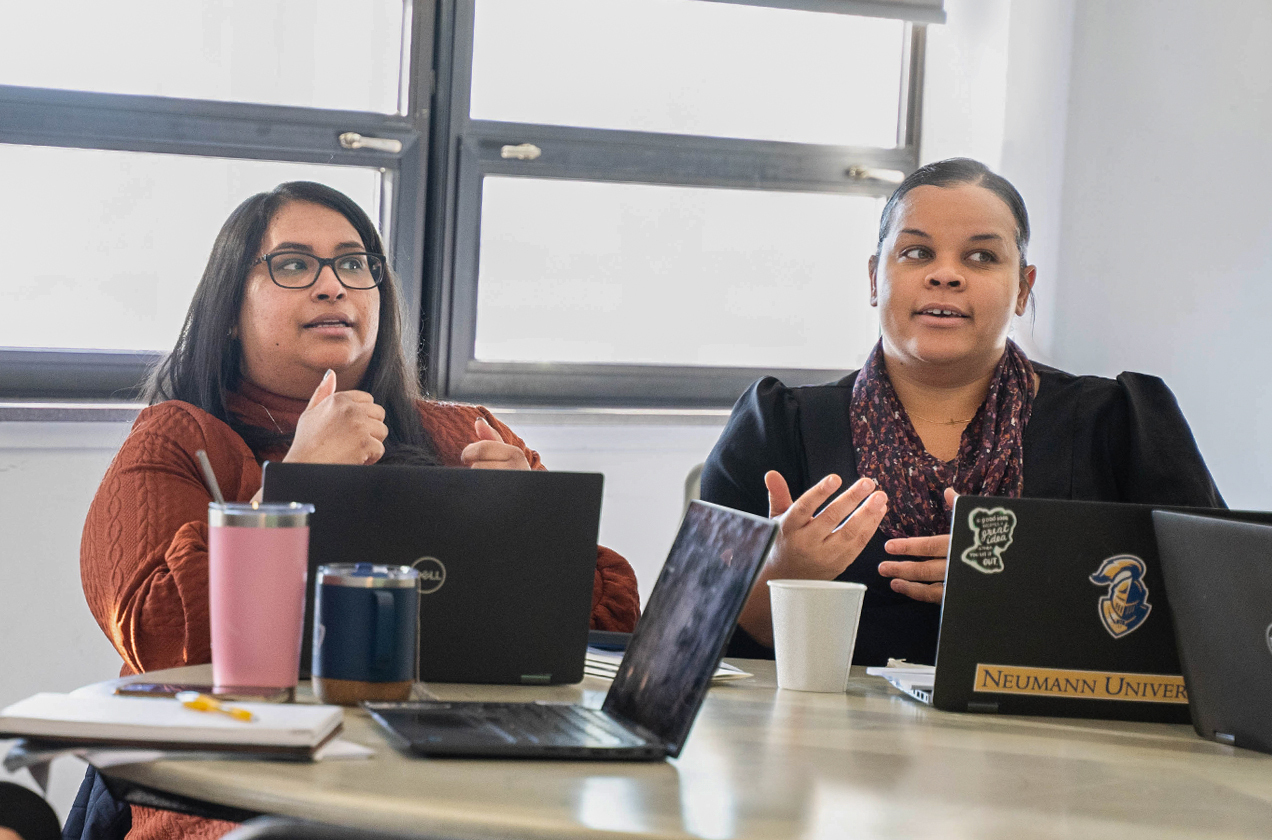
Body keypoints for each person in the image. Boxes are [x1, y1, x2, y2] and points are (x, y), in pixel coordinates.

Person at [79, 181, 640, 840]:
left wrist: (535, 531)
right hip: (243, 789)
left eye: (354, 263)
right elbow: (159, 640)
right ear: (230, 308)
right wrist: (294, 483)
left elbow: (608, 626)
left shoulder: (465, 433)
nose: (332, 286)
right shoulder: (179, 439)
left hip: (461, 776)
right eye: (293, 264)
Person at [700, 157, 1223, 668]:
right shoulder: (775, 429)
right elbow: (688, 642)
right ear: (874, 278)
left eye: (981, 258)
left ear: (1023, 288)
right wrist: (777, 577)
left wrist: (1039, 593)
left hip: (1055, 749)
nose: (945, 275)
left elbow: (1217, 618)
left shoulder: (1120, 425)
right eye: (916, 252)